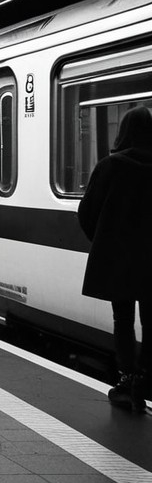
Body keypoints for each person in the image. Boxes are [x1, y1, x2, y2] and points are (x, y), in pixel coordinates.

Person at [78, 104, 152, 413]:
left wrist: (104, 241)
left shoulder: (109, 166)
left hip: (118, 260)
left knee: (122, 319)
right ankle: (146, 380)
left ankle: (125, 380)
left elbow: (87, 212)